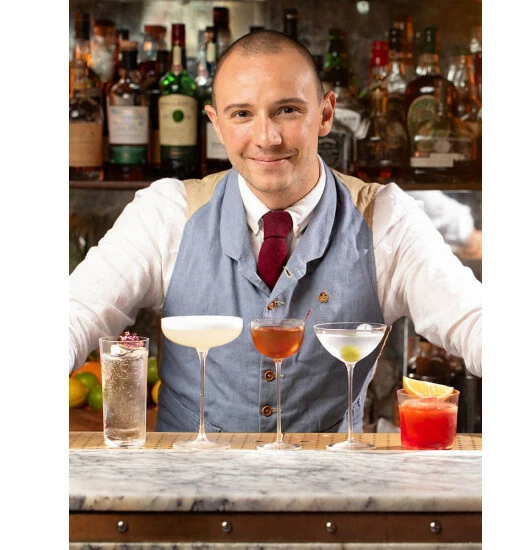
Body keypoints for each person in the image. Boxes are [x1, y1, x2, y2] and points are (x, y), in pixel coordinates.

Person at [69, 30, 481, 434]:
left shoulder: (385, 219)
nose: (267, 138)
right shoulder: (168, 212)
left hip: (329, 475)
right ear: (217, 124)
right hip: (187, 473)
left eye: (287, 110)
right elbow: (75, 314)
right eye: (242, 114)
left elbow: (475, 321)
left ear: (325, 114)